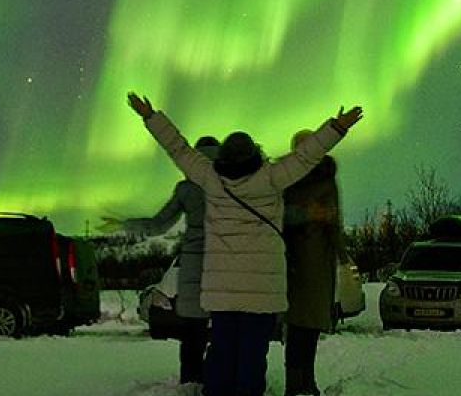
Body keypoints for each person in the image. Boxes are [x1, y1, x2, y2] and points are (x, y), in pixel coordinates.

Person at [128, 92, 362, 396]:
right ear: (255, 154)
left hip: (222, 290)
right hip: (262, 294)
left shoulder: (210, 178)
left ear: (223, 157)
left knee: (223, 352)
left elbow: (179, 149)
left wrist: (150, 116)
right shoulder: (272, 177)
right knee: (252, 357)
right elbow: (308, 155)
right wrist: (338, 126)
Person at [103, 136, 220, 394]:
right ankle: (220, 378)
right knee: (225, 326)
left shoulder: (187, 189)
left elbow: (159, 225)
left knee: (192, 331)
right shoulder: (233, 184)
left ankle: (191, 382)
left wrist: (124, 224)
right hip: (225, 262)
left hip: (192, 265)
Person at [282, 130, 344, 396]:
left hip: (317, 262)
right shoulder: (284, 179)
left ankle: (305, 381)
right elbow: (275, 215)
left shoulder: (324, 179)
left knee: (309, 328)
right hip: (295, 262)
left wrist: (340, 252)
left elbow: (334, 219)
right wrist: (308, 216)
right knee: (298, 329)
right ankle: (297, 384)